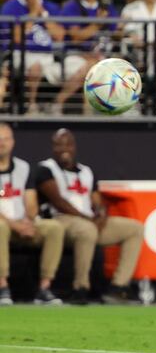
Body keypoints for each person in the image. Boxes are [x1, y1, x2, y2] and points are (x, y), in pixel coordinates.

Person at [36, 129, 144, 305]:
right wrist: (89, 220)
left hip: (88, 221)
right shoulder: (46, 169)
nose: (64, 148)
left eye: (68, 144)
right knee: (86, 230)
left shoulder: (86, 172)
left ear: (74, 146)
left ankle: (118, 287)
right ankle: (81, 288)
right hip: (61, 220)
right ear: (53, 147)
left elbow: (97, 201)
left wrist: (101, 215)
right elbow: (58, 201)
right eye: (59, 144)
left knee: (134, 229)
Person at [1, 0, 93, 115]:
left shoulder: (50, 7)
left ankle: (56, 104)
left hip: (50, 58)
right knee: (35, 66)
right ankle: (31, 107)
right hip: (20, 56)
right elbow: (16, 38)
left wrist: (42, 13)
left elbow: (59, 35)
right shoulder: (10, 7)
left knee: (84, 67)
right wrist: (32, 12)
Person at [0, 123, 64, 306]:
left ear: (12, 142)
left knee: (54, 228)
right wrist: (15, 225)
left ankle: (44, 288)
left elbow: (30, 200)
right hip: (4, 225)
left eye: (5, 139)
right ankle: (2, 286)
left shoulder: (23, 167)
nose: (1, 143)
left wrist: (28, 221)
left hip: (22, 223)